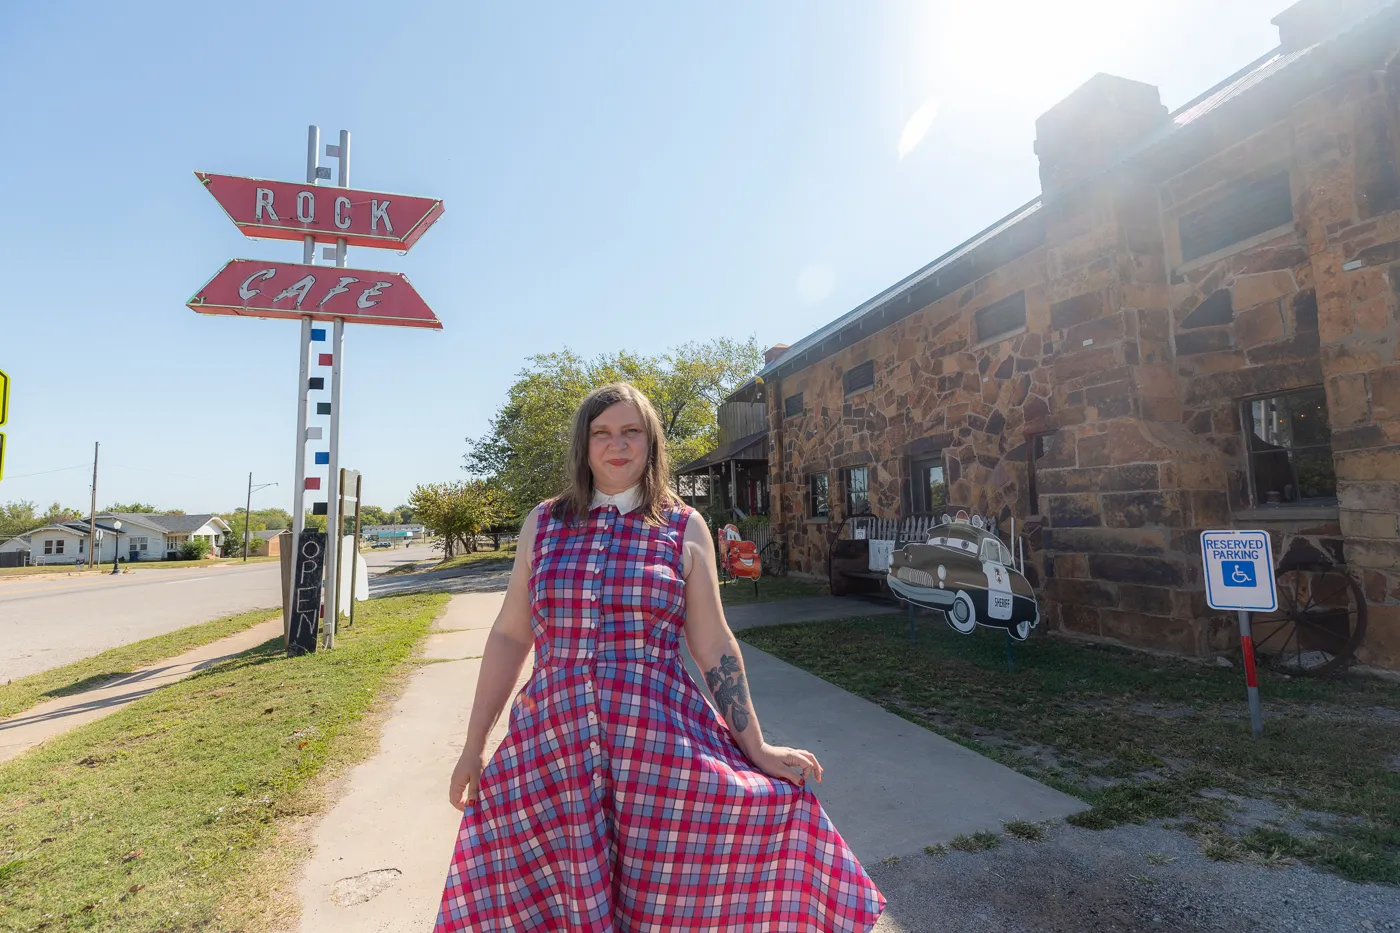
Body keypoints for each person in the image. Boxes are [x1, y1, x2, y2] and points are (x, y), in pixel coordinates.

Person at [435, 383, 884, 932]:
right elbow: (510, 636)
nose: (616, 445)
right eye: (602, 433)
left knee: (665, 899)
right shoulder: (544, 523)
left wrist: (757, 745)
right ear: (584, 444)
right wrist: (472, 748)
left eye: (631, 432)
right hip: (551, 750)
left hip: (658, 755)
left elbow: (714, 643)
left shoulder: (682, 527)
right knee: (548, 891)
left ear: (651, 443)